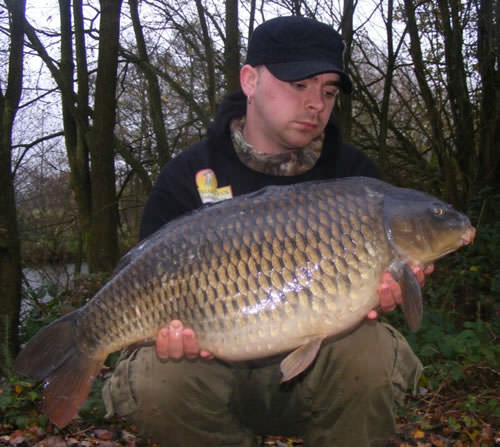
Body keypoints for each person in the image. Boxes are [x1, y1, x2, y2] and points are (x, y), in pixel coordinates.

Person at [102, 16, 430, 446]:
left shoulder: (352, 176)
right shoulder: (186, 175)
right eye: (300, 85)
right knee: (156, 376)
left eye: (329, 91)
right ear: (250, 81)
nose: (317, 103)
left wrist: (392, 290)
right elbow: (141, 281)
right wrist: (164, 339)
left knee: (370, 355)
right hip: (212, 377)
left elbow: (374, 296)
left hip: (317, 377)